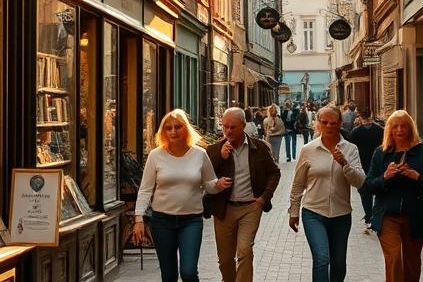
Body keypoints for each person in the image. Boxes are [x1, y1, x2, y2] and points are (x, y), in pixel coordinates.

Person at [133, 109, 232, 282]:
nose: (173, 131)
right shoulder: (156, 156)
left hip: (191, 221)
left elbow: (209, 184)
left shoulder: (200, 154)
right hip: (162, 221)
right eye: (168, 128)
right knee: (169, 275)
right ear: (163, 132)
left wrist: (218, 185)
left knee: (188, 272)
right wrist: (138, 220)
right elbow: (145, 190)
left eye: (178, 127)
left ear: (186, 129)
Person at [288, 105, 365, 281]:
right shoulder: (308, 150)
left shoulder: (350, 149)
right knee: (322, 259)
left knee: (338, 264)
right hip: (314, 213)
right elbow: (298, 184)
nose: (329, 126)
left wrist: (345, 165)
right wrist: (294, 212)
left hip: (341, 214)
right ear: (318, 124)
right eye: (324, 122)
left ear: (340, 124)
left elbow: (360, 181)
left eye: (333, 123)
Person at [205, 107, 281, 282]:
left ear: (243, 125)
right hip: (224, 209)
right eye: (225, 127)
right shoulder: (214, 149)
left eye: (233, 127)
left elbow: (274, 173)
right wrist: (220, 157)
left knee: (245, 250)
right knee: (225, 260)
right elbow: (205, 177)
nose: (228, 131)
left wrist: (263, 198)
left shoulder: (259, 147)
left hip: (250, 207)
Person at [364, 109, 423, 282]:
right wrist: (385, 176)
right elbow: (369, 186)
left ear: (410, 129)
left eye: (404, 126)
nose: (399, 130)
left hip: (414, 216)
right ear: (389, 129)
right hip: (387, 216)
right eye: (395, 127)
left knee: (412, 265)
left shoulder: (421, 152)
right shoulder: (380, 153)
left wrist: (416, 176)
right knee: (395, 260)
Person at [347, 108, 384, 234]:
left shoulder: (355, 132)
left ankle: (369, 217)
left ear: (359, 116)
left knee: (365, 194)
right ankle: (377, 217)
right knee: (379, 193)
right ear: (372, 114)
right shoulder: (380, 130)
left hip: (362, 166)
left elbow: (350, 150)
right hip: (378, 166)